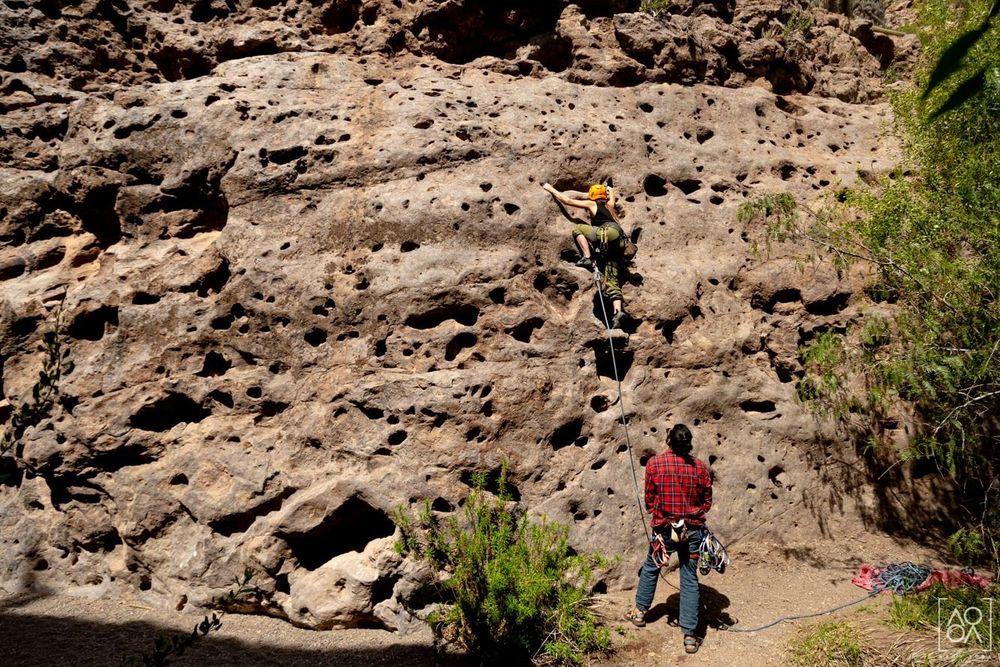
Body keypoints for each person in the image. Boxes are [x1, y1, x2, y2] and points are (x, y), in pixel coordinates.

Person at [625, 423, 712, 655]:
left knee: (652, 567)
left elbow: (650, 500)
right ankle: (690, 636)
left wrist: (663, 514)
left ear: (669, 441)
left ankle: (640, 613)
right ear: (689, 443)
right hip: (692, 530)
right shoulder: (700, 468)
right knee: (689, 578)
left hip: (665, 529)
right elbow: (706, 503)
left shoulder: (655, 464)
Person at [541, 182, 630, 330]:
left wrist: (550, 188)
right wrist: (607, 189)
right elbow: (610, 190)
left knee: (578, 229)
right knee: (612, 279)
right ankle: (618, 312)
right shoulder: (610, 205)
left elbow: (568, 201)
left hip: (607, 233)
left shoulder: (592, 203)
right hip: (619, 240)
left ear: (593, 196)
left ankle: (587, 257)